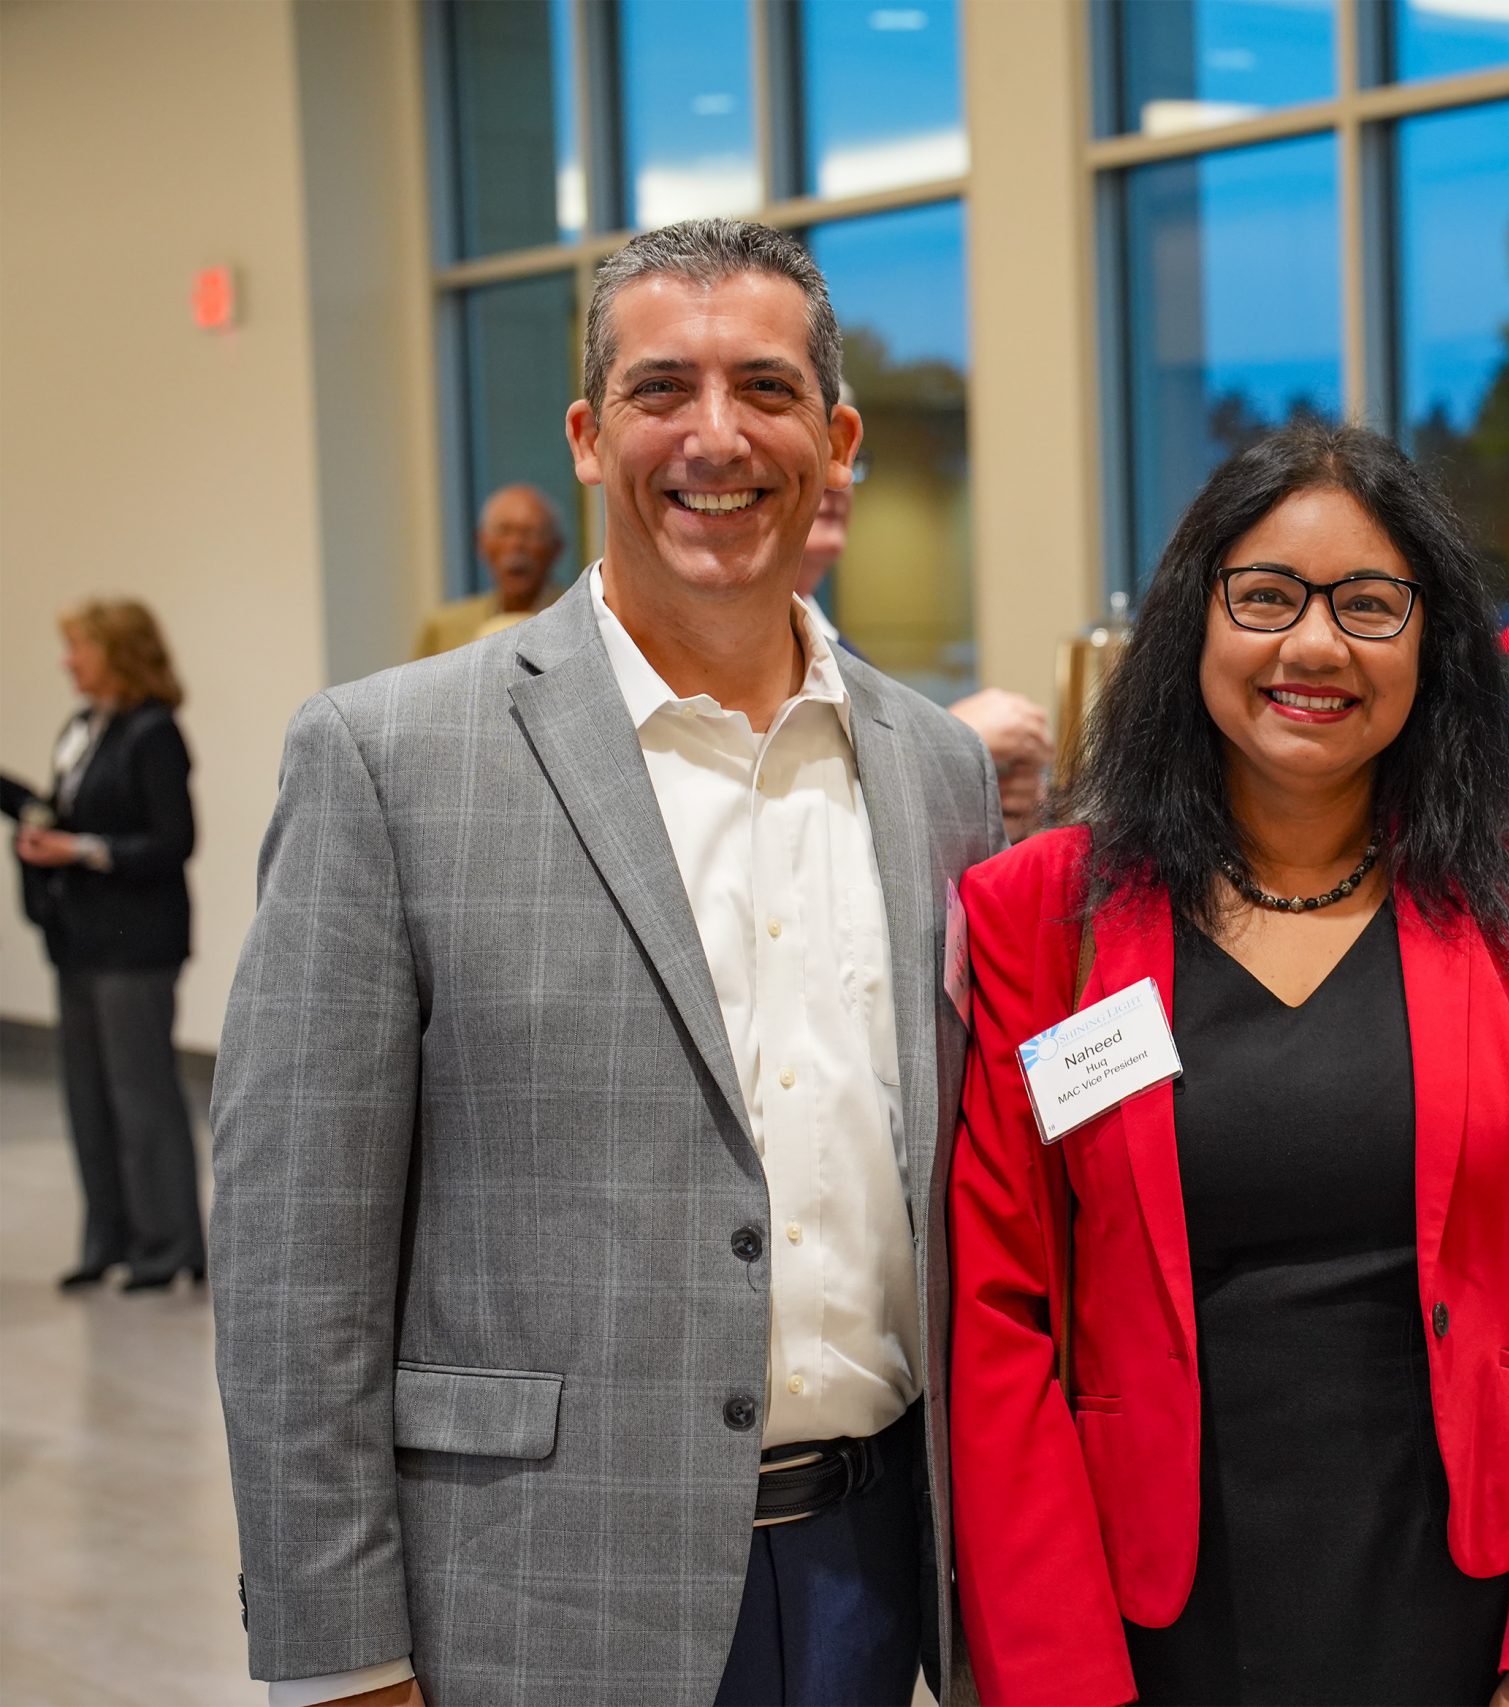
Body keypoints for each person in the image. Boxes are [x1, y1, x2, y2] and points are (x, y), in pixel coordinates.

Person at [212, 217, 1006, 1707]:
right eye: (661, 390)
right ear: (589, 435)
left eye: (766, 390)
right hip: (532, 1592)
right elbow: (291, 1259)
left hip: (878, 1575)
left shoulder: (936, 770)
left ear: (836, 439)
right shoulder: (392, 759)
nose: (717, 436)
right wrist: (341, 1663)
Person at [949, 423, 1509, 1706]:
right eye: (1267, 596)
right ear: (1194, 624)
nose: (1314, 645)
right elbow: (1002, 1327)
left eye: (1368, 604)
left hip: (1466, 1612)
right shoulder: (1044, 915)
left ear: (1428, 647)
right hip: (1146, 1623)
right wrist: (1059, 1676)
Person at [4, 599, 204, 1292]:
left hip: (136, 944)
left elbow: (173, 840)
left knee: (139, 1093)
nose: (66, 662)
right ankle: (107, 1239)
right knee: (88, 1096)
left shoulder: (152, 733)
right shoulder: (83, 728)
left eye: (77, 649)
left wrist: (80, 849)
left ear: (116, 651)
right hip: (80, 939)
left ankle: (168, 1245)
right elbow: (63, 810)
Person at [797, 479, 1053, 839]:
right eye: (818, 457)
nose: (837, 483)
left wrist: (985, 803)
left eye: (847, 462)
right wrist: (955, 743)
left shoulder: (845, 655)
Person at [411, 483, 567, 657]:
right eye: (504, 531)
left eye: (530, 533)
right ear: (482, 543)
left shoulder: (578, 620)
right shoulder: (444, 630)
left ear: (556, 547)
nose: (516, 544)